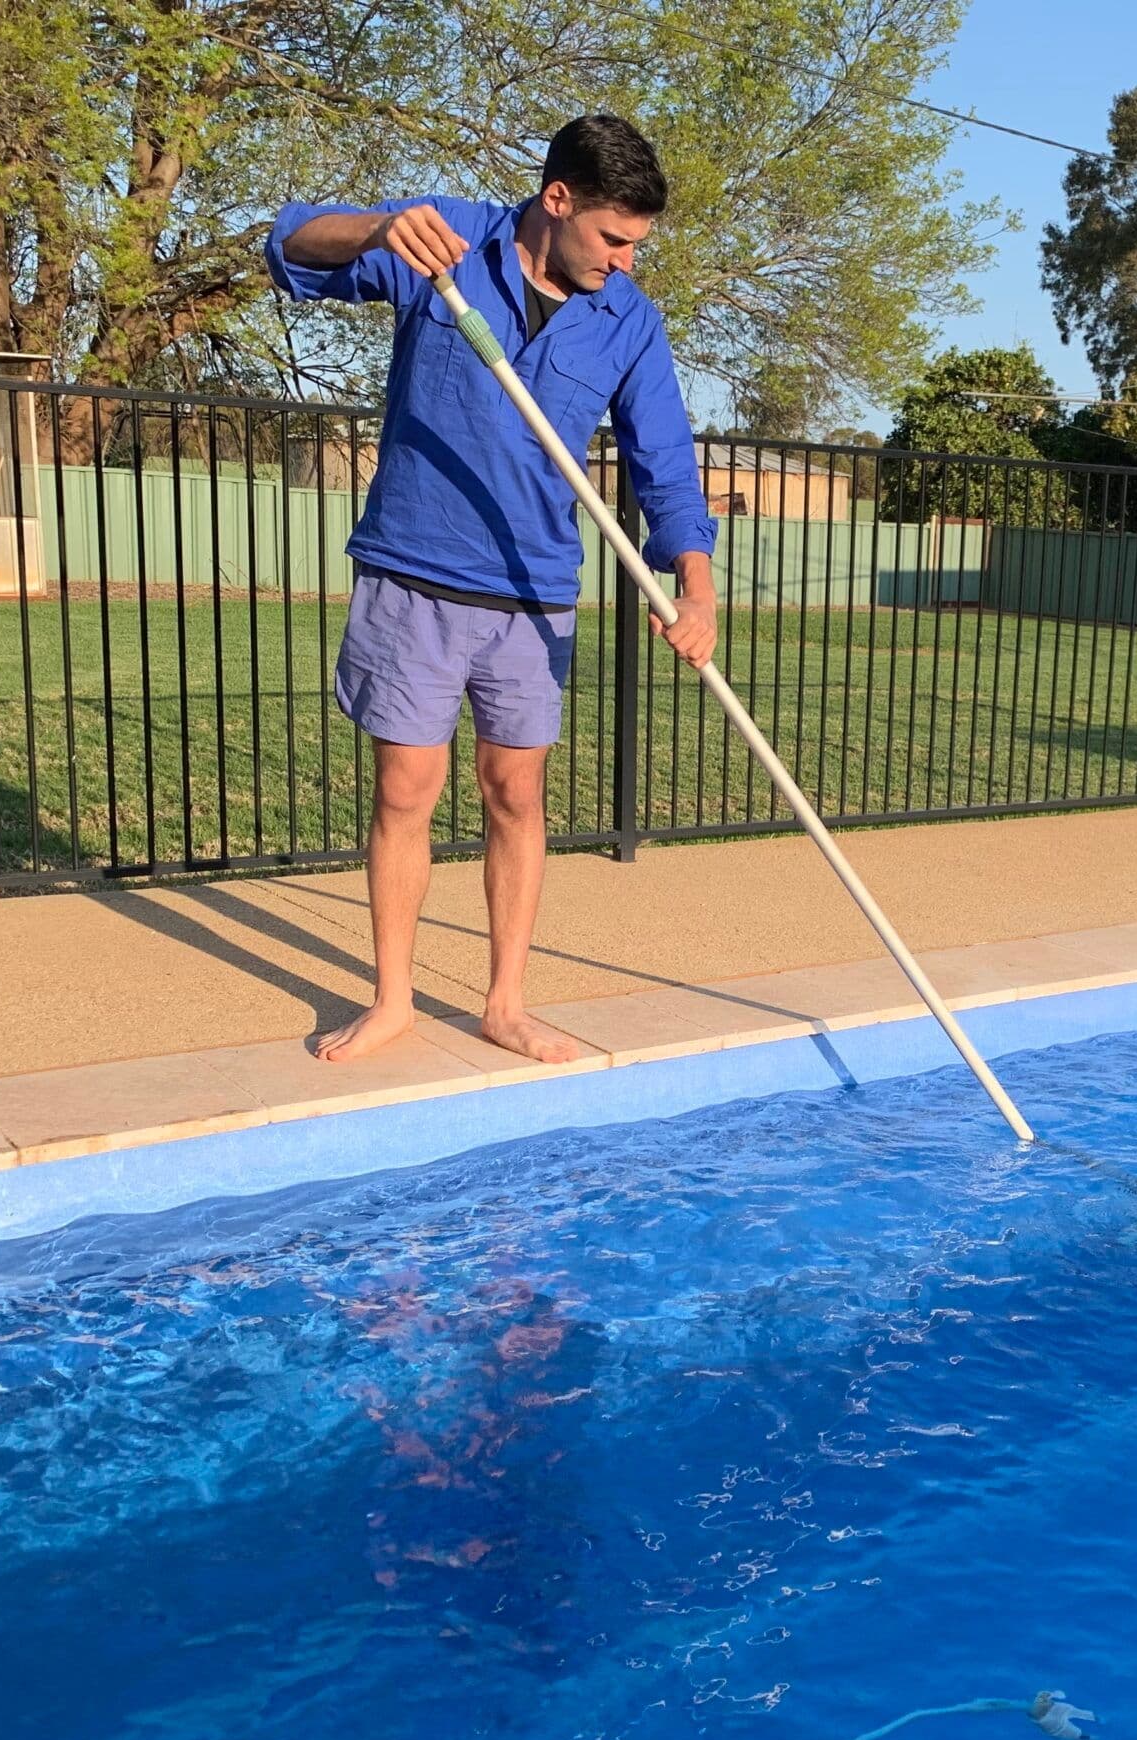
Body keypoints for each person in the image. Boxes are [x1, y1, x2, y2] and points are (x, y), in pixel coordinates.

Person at [264, 114, 718, 1063]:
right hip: (416, 574)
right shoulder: (446, 246)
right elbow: (292, 244)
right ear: (558, 202)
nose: (625, 263)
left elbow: (664, 460)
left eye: (638, 245)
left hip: (536, 588)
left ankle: (503, 1003)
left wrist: (697, 587)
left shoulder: (626, 317)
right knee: (407, 789)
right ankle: (392, 1001)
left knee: (516, 792)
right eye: (614, 239)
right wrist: (374, 230)